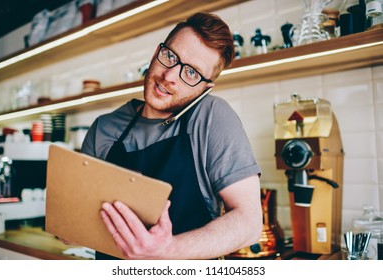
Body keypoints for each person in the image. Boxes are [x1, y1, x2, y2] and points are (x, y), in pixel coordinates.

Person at [81, 12, 262, 260]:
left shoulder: (211, 117)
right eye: (170, 57)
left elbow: (249, 223)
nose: (169, 77)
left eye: (191, 73)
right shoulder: (103, 128)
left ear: (204, 88)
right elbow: (78, 219)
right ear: (157, 52)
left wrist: (168, 251)